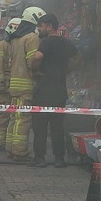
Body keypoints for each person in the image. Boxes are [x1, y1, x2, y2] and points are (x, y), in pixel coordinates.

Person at [29, 14, 80, 168]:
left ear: (49, 26)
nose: (39, 29)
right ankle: (59, 158)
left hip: (44, 90)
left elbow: (37, 57)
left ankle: (40, 158)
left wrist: (34, 69)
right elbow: (78, 57)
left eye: (41, 26)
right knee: (57, 126)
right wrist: (66, 70)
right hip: (59, 91)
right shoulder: (66, 42)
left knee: (40, 126)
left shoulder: (46, 42)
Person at [6, 6, 46, 162]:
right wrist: (39, 75)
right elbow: (32, 62)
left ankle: (10, 148)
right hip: (26, 86)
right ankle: (20, 152)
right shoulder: (32, 38)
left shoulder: (16, 38)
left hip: (14, 85)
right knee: (23, 119)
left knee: (14, 118)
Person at [0, 18, 21, 151]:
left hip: (10, 87)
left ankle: (5, 143)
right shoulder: (2, 45)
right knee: (2, 117)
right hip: (2, 88)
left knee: (10, 117)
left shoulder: (14, 44)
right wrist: (2, 82)